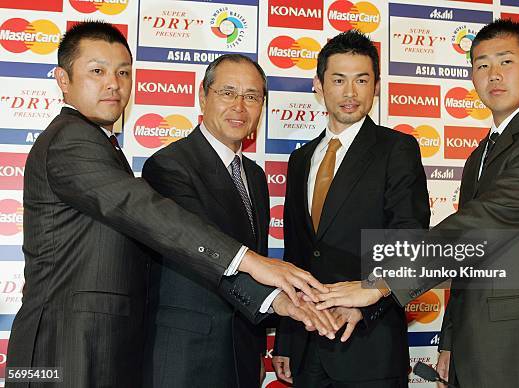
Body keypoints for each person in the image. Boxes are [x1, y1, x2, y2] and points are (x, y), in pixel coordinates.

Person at [6, 21, 329, 388]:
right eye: (97, 71)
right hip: (63, 347)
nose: (113, 83)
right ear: (63, 80)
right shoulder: (71, 139)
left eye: (123, 72)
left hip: (99, 343)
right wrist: (251, 261)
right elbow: (145, 210)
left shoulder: (101, 144)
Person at [315, 19, 519, 388]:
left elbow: (484, 223)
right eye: (482, 65)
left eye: (506, 61)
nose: (493, 75)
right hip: (476, 342)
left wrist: (381, 281)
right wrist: (450, 339)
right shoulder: (481, 153)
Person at [141, 54, 336, 388]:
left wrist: (257, 348)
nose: (239, 107)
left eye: (251, 97)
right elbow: (206, 253)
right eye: (227, 93)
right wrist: (278, 301)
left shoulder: (255, 177)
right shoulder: (169, 166)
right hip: (188, 354)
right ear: (203, 96)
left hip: (242, 352)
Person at [272, 30, 430, 387]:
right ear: (319, 84)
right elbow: (297, 255)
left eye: (362, 80)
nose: (350, 93)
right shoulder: (300, 160)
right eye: (339, 79)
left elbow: (409, 237)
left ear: (376, 86)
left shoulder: (397, 149)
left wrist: (366, 303)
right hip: (307, 343)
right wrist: (287, 337)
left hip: (369, 344)